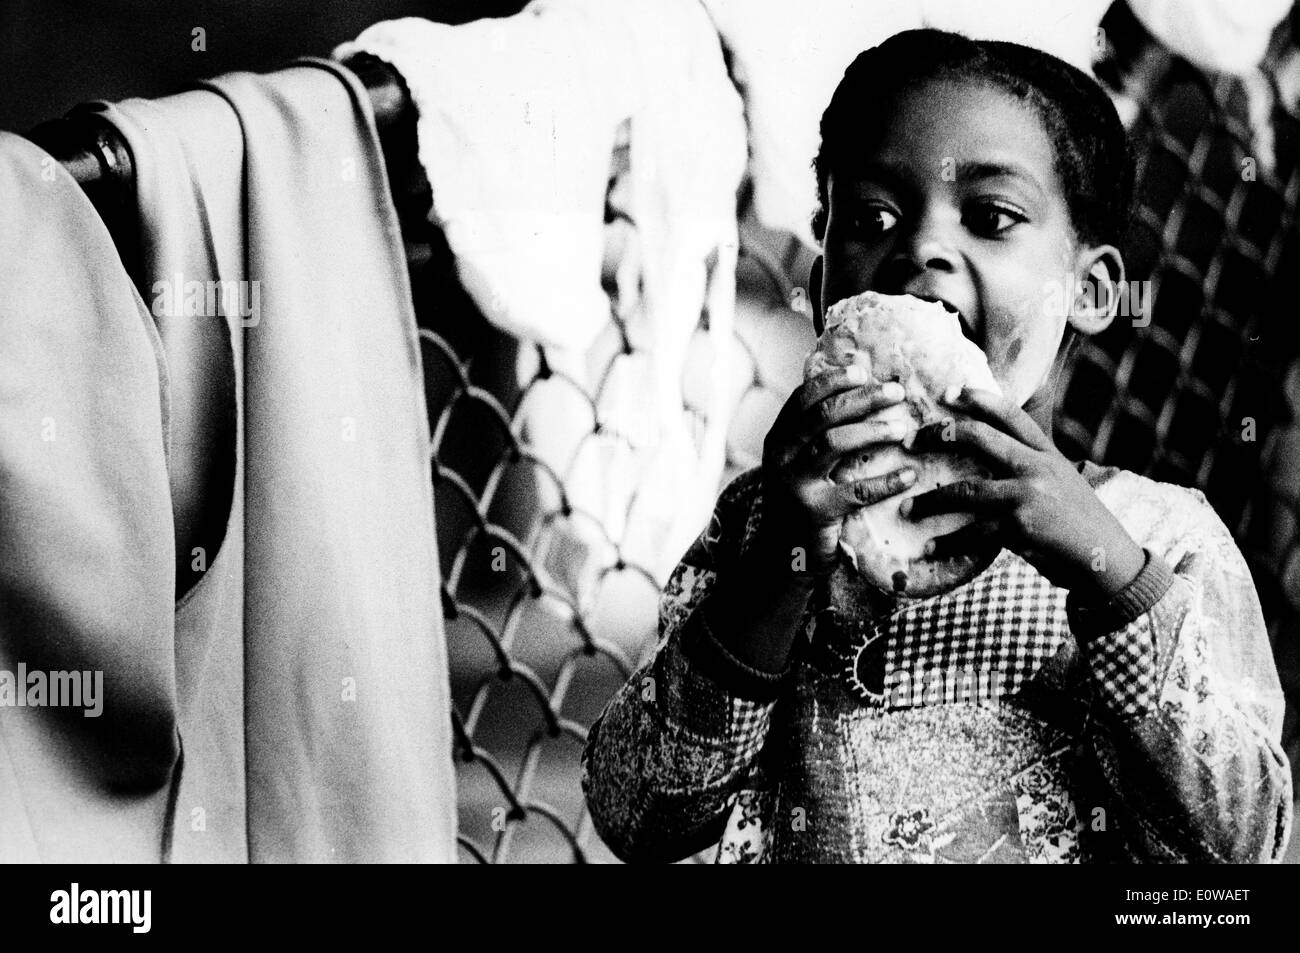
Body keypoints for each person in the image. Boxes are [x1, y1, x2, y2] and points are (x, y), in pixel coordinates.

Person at [580, 28, 1293, 863]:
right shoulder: (763, 525)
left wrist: (1112, 575)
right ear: (820, 289)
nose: (919, 247)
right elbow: (637, 811)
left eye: (992, 217)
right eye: (871, 216)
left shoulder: (1161, 538)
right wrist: (779, 563)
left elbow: (1240, 844)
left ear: (1090, 289)